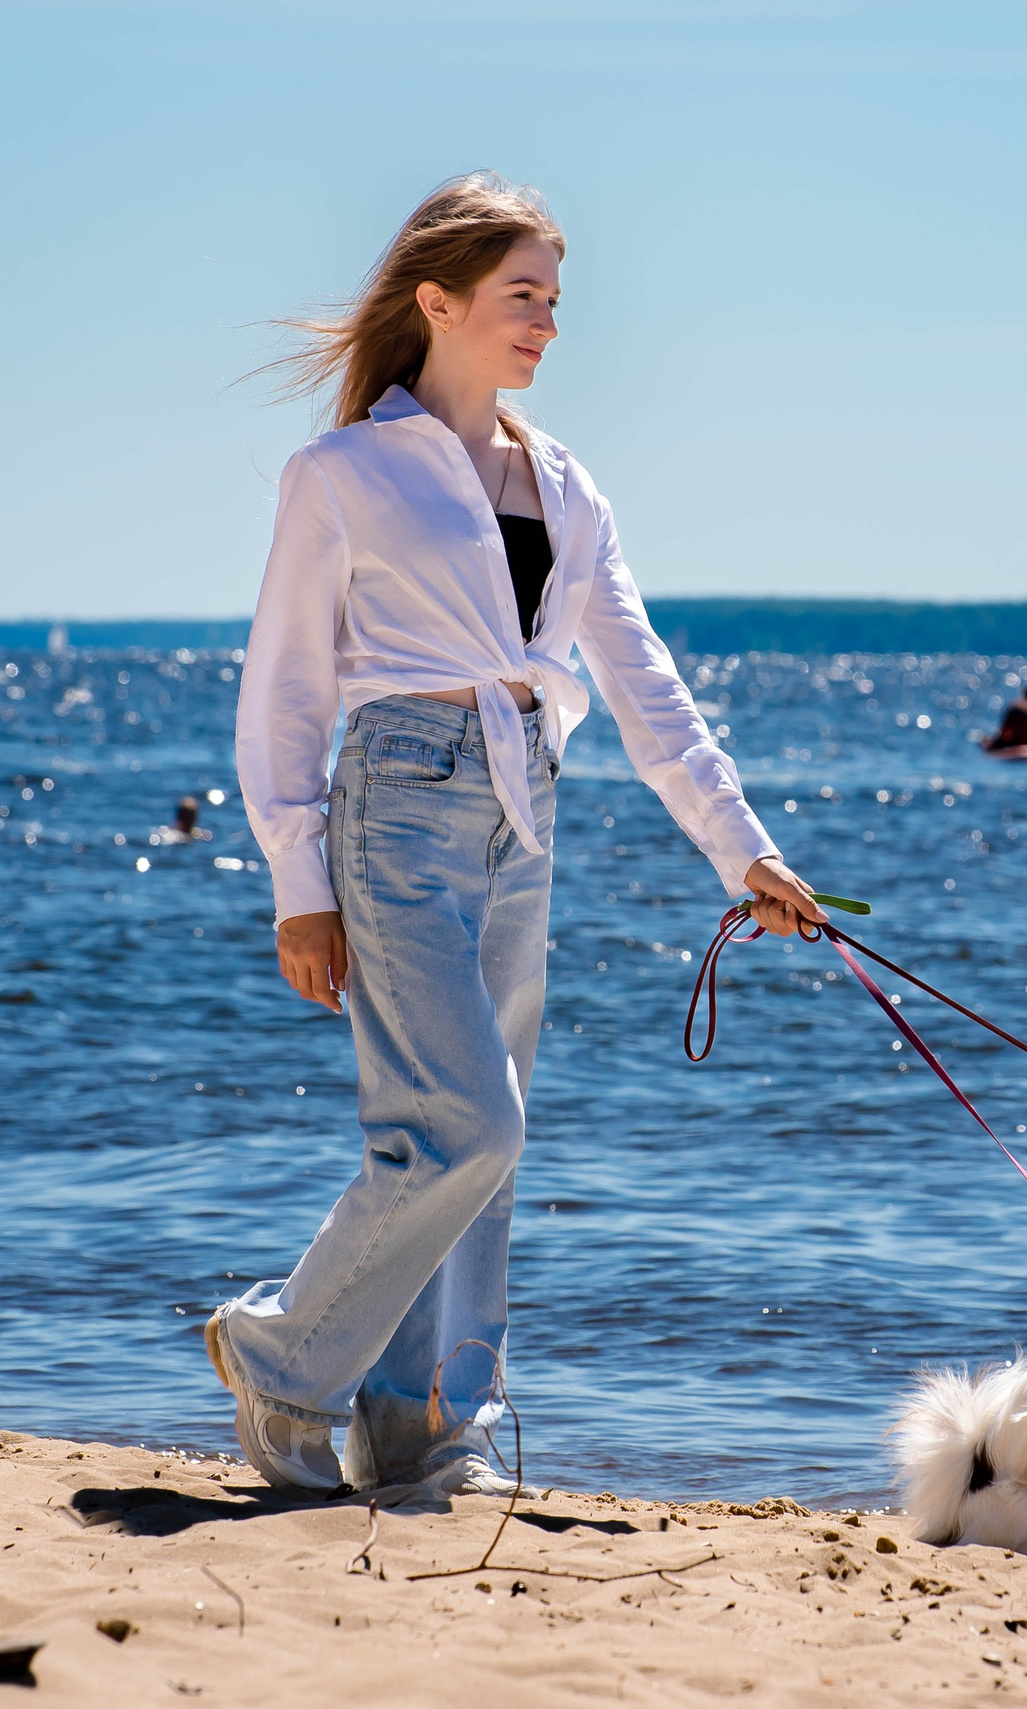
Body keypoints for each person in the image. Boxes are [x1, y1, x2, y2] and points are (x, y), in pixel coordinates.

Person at [215, 173, 825, 1497]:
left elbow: (644, 683)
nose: (546, 323)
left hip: (522, 809)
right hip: (394, 803)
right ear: (436, 300)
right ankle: (278, 1365)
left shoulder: (567, 483)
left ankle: (426, 1430)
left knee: (483, 1153)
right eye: (521, 296)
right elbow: (285, 694)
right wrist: (295, 884)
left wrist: (744, 850)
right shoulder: (342, 475)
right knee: (463, 1126)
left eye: (555, 299)